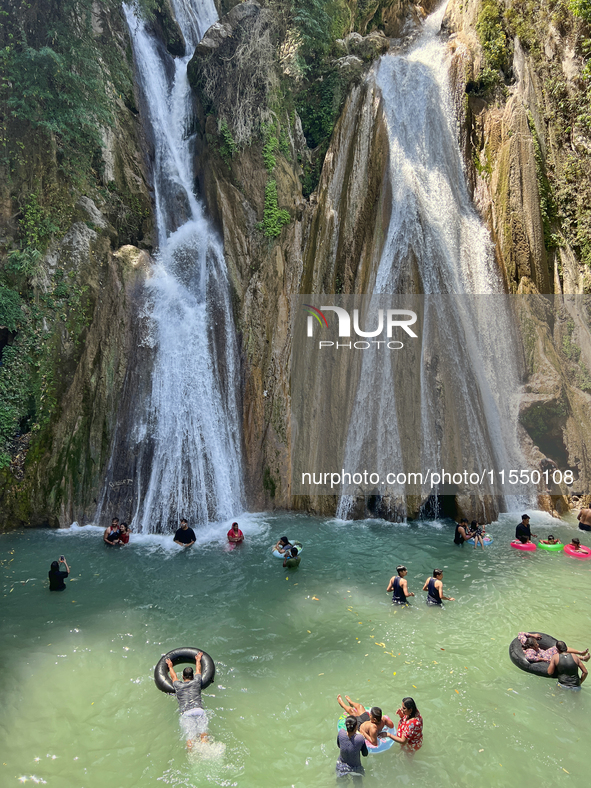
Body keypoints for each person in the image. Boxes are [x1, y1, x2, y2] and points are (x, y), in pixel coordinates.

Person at [166, 652, 208, 748]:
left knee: (190, 740)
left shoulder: (178, 685)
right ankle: (206, 750)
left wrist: (170, 666)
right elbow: (198, 669)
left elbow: (173, 676)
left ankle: (192, 757)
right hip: (199, 710)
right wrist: (198, 659)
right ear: (193, 676)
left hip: (186, 713)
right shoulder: (197, 681)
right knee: (203, 736)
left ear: (183, 677)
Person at [518, 632, 589, 663]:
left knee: (559, 647)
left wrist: (533, 635)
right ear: (532, 647)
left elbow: (520, 634)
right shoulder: (531, 651)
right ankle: (582, 658)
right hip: (547, 657)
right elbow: (529, 657)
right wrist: (542, 659)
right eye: (536, 645)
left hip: (545, 653)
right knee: (561, 654)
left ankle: (580, 653)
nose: (538, 645)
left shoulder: (526, 642)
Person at [336, 715, 368, 780]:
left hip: (341, 766)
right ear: (356, 726)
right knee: (358, 785)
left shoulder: (341, 733)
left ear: (346, 725)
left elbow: (339, 745)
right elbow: (365, 754)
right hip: (355, 768)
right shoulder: (360, 738)